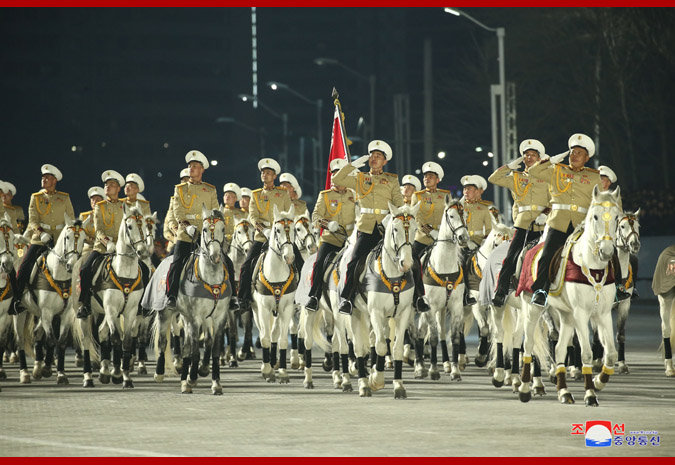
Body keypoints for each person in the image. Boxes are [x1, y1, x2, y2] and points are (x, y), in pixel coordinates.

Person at [332, 139, 429, 315]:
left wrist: (399, 217)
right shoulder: (360, 178)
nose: (374, 159)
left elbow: (399, 205)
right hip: (367, 228)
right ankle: (347, 298)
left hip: (388, 230)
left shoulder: (391, 180)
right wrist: (352, 165)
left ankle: (419, 297)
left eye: (379, 156)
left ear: (385, 161)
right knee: (354, 261)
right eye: (372, 156)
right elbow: (337, 178)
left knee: (412, 260)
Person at [527, 133, 603, 307]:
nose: (574, 155)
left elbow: (599, 201)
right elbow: (533, 171)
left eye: (579, 153)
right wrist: (551, 160)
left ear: (586, 158)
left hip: (582, 226)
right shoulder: (556, 170)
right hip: (558, 223)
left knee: (605, 252)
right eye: (572, 152)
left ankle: (616, 287)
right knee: (547, 255)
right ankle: (541, 290)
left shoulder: (594, 177)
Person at [166, 150, 239, 311]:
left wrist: (214, 229)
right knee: (176, 263)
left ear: (202, 170)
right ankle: (171, 296)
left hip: (207, 237)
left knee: (228, 262)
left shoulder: (210, 190)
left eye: (195, 166)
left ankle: (232, 297)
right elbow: (178, 211)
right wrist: (186, 226)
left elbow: (214, 212)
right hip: (186, 235)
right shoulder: (180, 189)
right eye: (190, 166)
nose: (191, 169)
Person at [489, 139, 551, 307]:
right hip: (523, 226)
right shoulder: (515, 177)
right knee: (511, 257)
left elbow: (556, 198)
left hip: (543, 227)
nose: (529, 158)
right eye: (526, 155)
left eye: (533, 155)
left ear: (540, 158)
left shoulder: (548, 176)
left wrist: (548, 212)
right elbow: (493, 178)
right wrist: (509, 167)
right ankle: (501, 291)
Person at [237, 158, 304, 305]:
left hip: (282, 237)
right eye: (263, 172)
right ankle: (244, 298)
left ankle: (302, 296)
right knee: (246, 266)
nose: (265, 175)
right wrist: (264, 230)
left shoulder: (283, 194)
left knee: (300, 263)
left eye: (268, 173)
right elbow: (253, 216)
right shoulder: (255, 194)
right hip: (262, 237)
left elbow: (288, 214)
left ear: (274, 176)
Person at [12, 164, 74, 315]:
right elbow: (33, 221)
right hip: (40, 239)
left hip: (60, 240)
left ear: (55, 181)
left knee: (73, 264)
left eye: (48, 178)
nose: (44, 180)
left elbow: (71, 220)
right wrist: (41, 233)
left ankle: (76, 300)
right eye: (43, 177)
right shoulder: (36, 197)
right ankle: (18, 299)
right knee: (24, 267)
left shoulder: (64, 198)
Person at [305, 158, 357, 311]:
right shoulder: (325, 195)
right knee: (319, 262)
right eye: (333, 174)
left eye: (338, 175)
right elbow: (315, 217)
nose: (334, 178)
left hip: (350, 239)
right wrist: (327, 224)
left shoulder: (354, 195)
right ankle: (314, 297)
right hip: (331, 239)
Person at [77, 170, 126, 318]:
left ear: (118, 189)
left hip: (122, 249)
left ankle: (141, 305)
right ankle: (84, 304)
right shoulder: (100, 206)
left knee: (142, 267)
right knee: (85, 270)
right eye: (106, 184)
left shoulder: (126, 205)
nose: (108, 187)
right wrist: (108, 243)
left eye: (112, 185)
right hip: (102, 248)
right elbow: (98, 231)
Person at [459, 174, 499, 306]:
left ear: (477, 191)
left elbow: (489, 232)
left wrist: (481, 244)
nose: (466, 192)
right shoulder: (458, 208)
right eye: (464, 189)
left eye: (469, 189)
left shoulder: (484, 208)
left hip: (477, 244)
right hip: (461, 243)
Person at [598, 165, 633, 301]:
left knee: (614, 256)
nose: (601, 182)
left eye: (604, 180)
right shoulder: (589, 192)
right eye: (599, 179)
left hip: (607, 233)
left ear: (609, 183)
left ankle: (619, 287)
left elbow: (619, 215)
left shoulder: (614, 197)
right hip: (588, 230)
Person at [163, 168, 189, 254]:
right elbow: (170, 220)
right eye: (183, 180)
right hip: (177, 240)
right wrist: (177, 235)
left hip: (195, 239)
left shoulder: (200, 198)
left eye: (188, 180)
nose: (185, 183)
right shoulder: (174, 200)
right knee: (169, 265)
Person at [80, 186, 105, 255]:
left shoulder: (107, 216)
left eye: (97, 199)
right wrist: (89, 239)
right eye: (92, 199)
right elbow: (79, 233)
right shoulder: (84, 216)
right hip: (88, 247)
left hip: (104, 246)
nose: (94, 202)